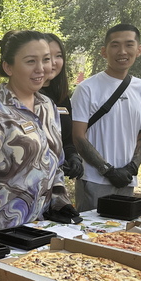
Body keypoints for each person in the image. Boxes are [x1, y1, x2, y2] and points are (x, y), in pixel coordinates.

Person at [0, 30, 78, 236]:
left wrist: (61, 203)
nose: (41, 69)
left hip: (39, 227)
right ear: (8, 67)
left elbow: (55, 164)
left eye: (45, 60)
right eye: (30, 61)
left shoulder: (47, 106)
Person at [72, 24, 141, 212]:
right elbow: (78, 136)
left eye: (129, 45)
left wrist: (131, 168)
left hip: (126, 181)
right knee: (89, 236)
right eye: (115, 45)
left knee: (118, 235)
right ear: (104, 51)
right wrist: (107, 170)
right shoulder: (87, 88)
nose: (122, 51)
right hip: (93, 180)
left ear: (139, 50)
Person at [40, 33, 83, 179]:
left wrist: (73, 156)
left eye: (58, 56)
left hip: (55, 183)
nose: (53, 62)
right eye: (47, 57)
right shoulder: (25, 96)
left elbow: (67, 140)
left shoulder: (62, 97)